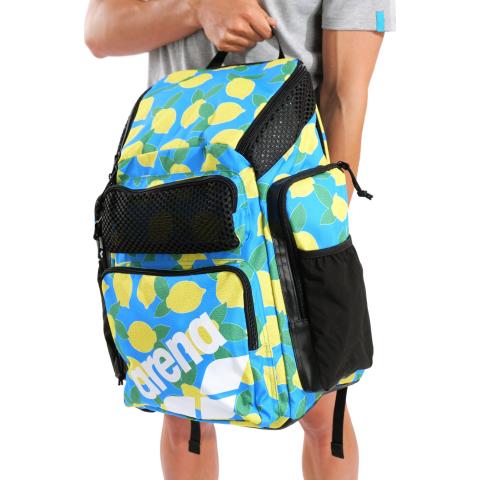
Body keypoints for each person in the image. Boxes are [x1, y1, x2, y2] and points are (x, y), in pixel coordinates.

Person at [85, 1, 395, 478]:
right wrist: (198, 9)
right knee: (183, 405)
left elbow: (344, 95)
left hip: (287, 202)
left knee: (321, 403)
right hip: (170, 184)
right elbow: (99, 30)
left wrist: (321, 224)